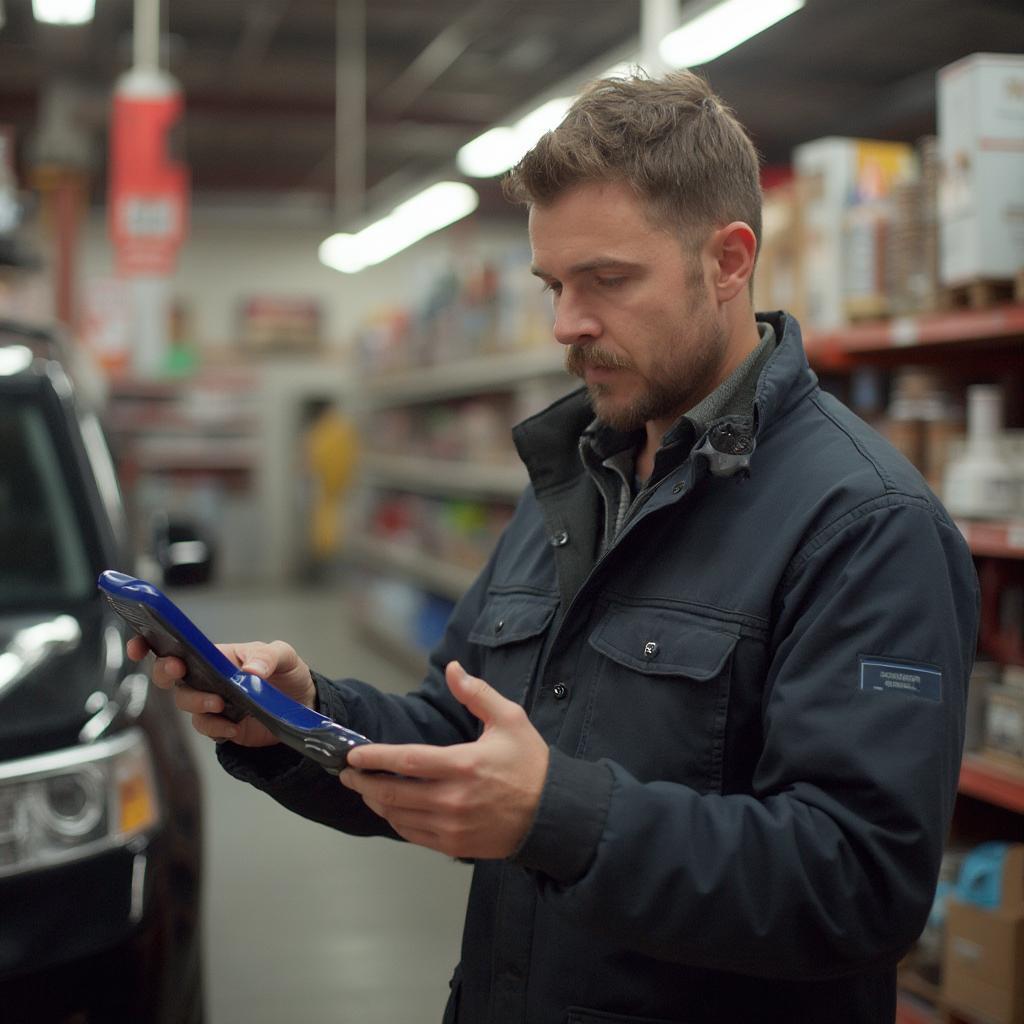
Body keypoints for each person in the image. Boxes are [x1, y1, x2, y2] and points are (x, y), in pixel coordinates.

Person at [131, 70, 979, 1024]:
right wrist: (299, 719)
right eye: (553, 284)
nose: (567, 323)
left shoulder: (866, 526)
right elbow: (464, 738)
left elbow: (861, 883)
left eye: (608, 281)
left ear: (730, 262)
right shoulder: (576, 482)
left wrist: (554, 817)